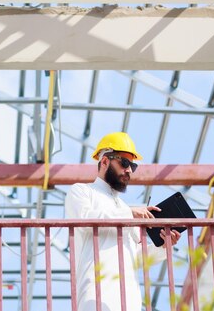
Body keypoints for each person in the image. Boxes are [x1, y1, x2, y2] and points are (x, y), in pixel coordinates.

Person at [65, 132, 181, 311]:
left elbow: (135, 257)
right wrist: (131, 214)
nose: (129, 170)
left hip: (129, 300)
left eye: (132, 166)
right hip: (95, 296)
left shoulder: (124, 208)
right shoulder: (81, 191)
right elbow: (86, 220)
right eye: (124, 163)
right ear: (104, 161)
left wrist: (163, 247)